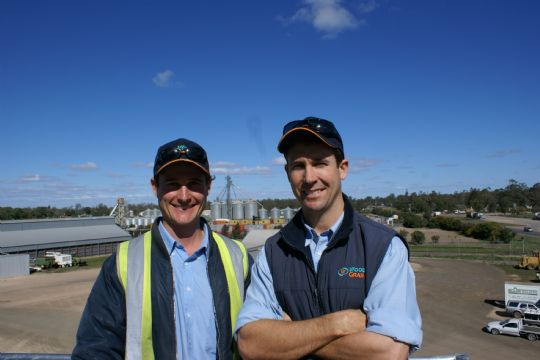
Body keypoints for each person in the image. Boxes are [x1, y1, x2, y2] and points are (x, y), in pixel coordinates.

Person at [236, 117, 422, 359]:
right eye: (298, 166)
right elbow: (250, 345)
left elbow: (390, 351)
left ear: (342, 168)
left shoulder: (382, 246)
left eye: (320, 163)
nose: (309, 177)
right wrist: (338, 324)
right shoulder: (273, 252)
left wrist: (288, 337)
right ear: (287, 172)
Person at [72, 138, 251, 360]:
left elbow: (262, 334)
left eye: (194, 183)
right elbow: (95, 349)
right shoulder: (125, 262)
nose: (184, 196)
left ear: (208, 186)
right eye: (172, 184)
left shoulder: (238, 257)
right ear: (155, 187)